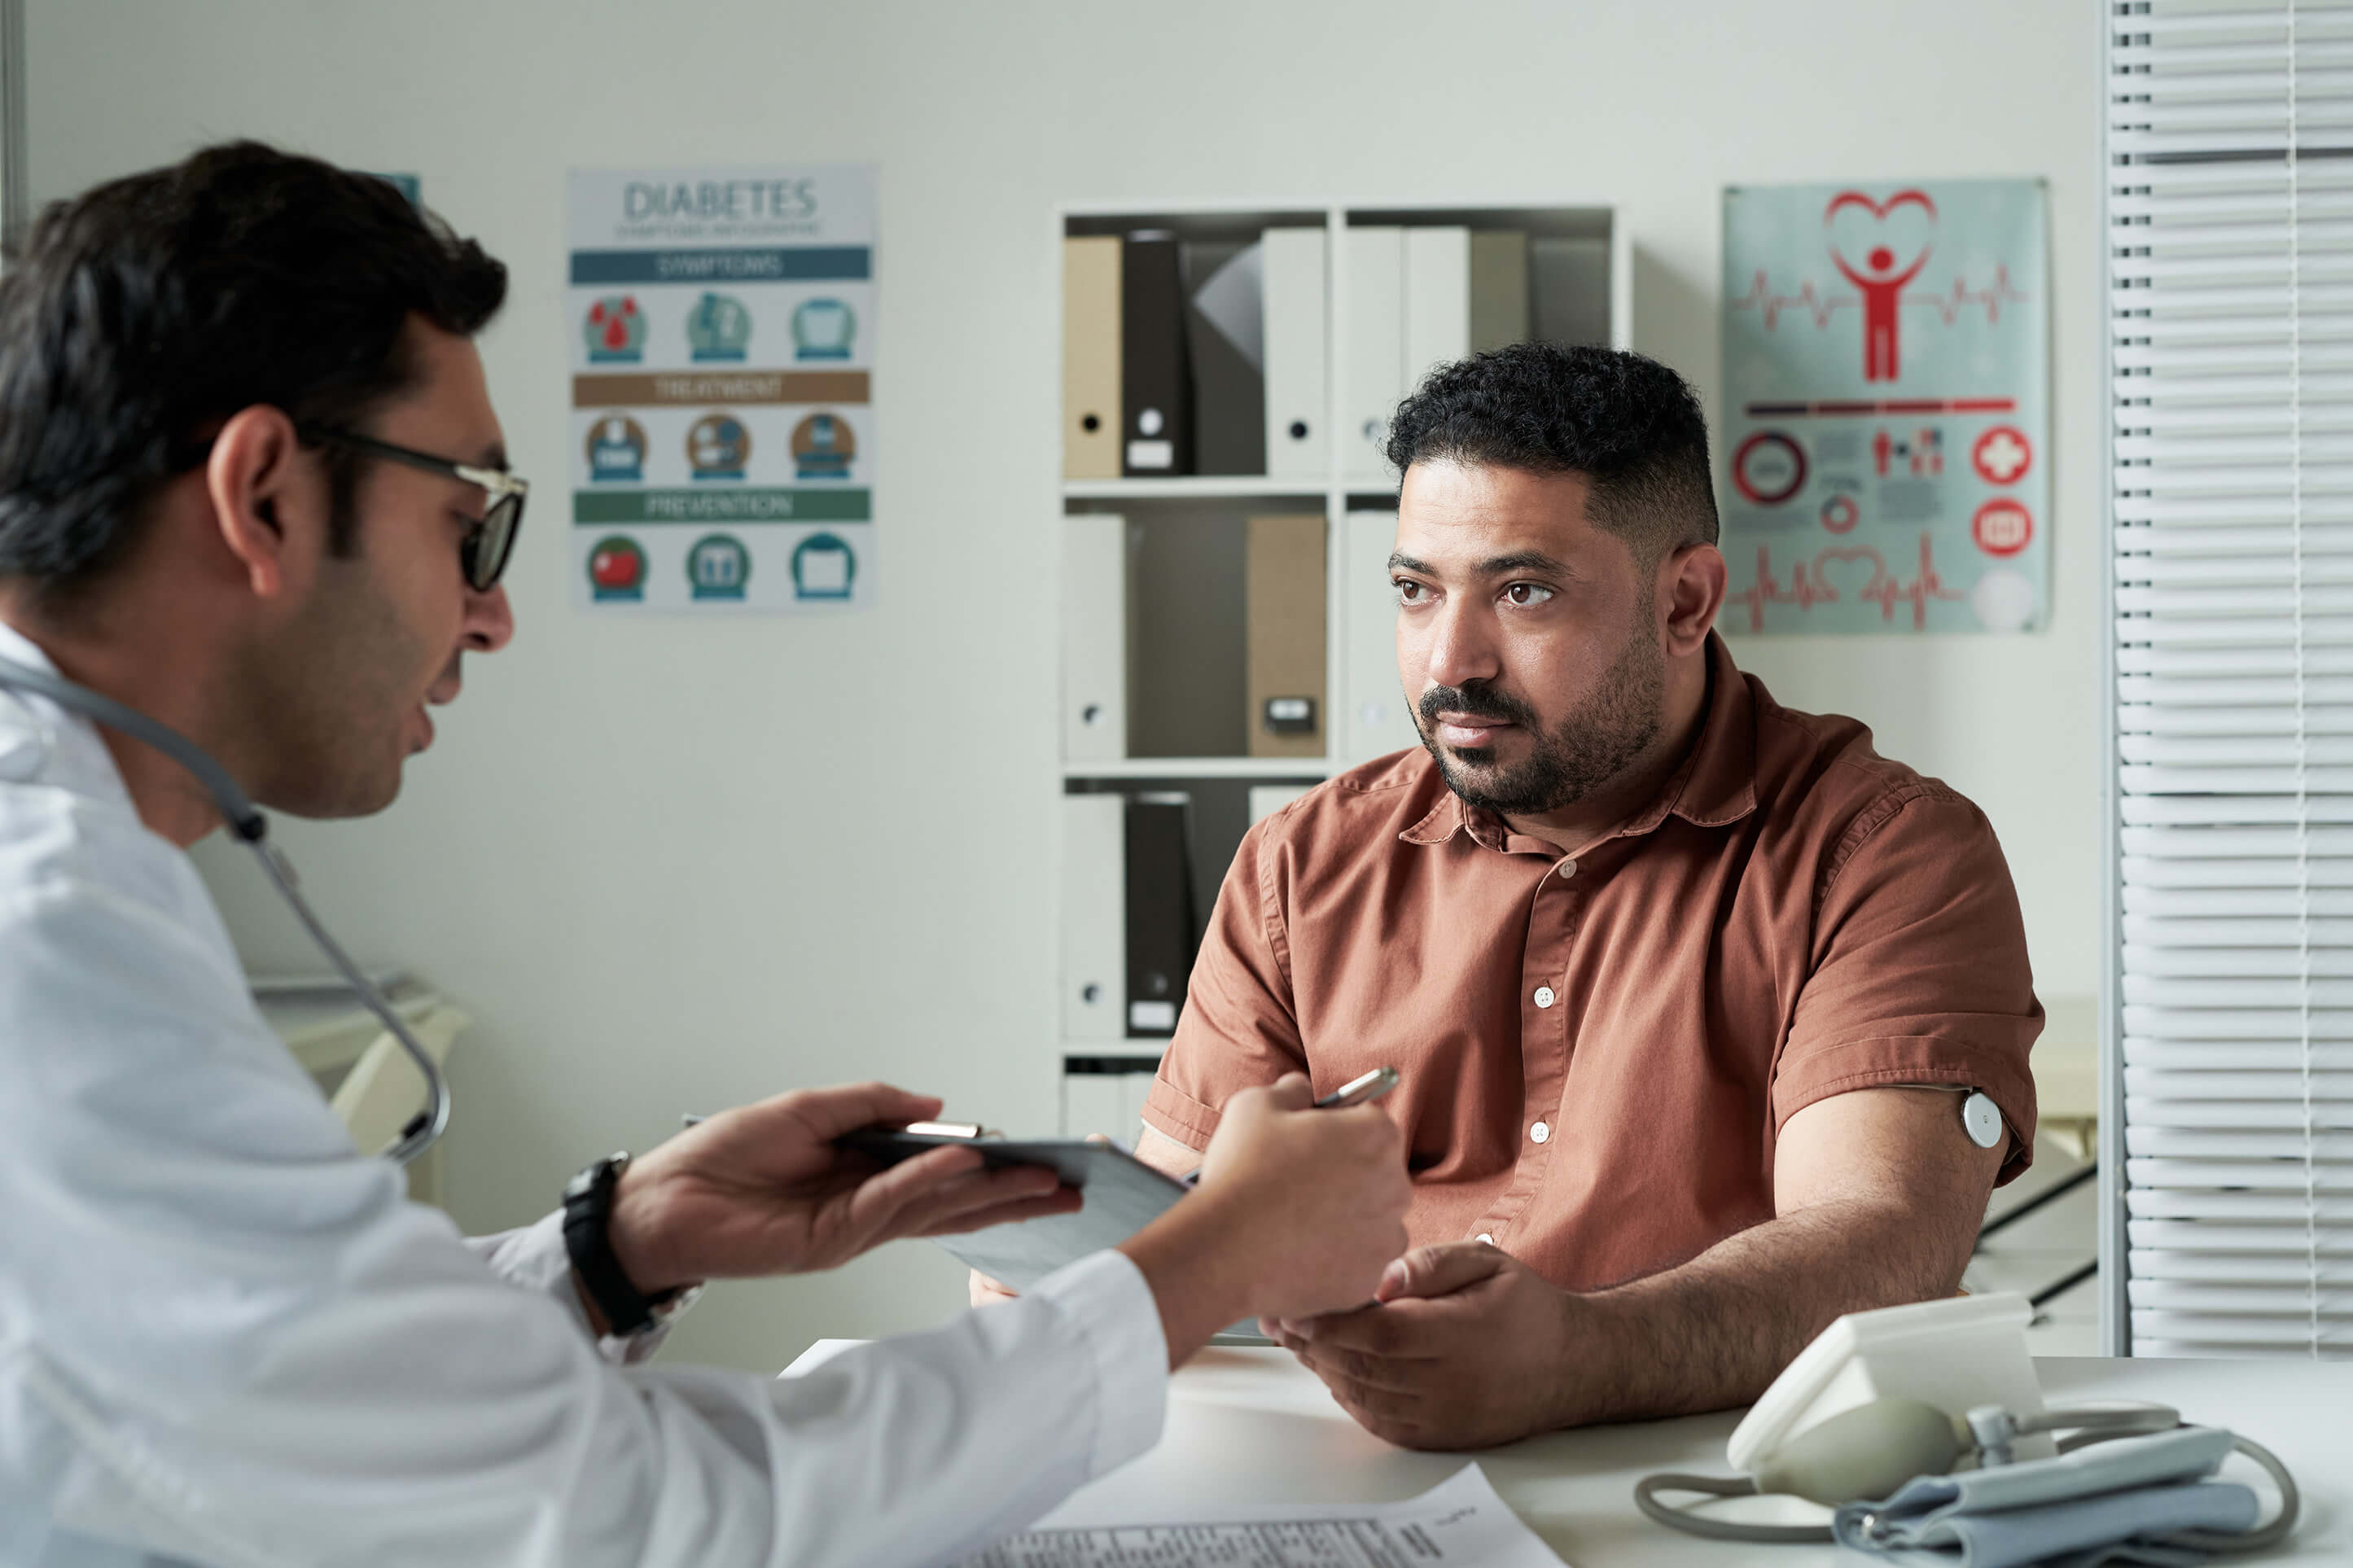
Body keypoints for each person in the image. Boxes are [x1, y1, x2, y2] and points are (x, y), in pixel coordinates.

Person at [0, 143, 1412, 1566]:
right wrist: (1210, 1257)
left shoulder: (64, 883)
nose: (491, 619)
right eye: (466, 522)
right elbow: (627, 1519)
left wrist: (616, 1246)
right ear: (262, 497)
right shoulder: (46, 940)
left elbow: (317, 1390)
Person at [988, 343, 2043, 1450]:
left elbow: (1878, 1241)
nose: (1451, 660)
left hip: (1703, 1488)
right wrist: (1082, 1279)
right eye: (1414, 591)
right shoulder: (1298, 868)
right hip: (1344, 1476)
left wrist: (1581, 1357)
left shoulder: (1883, 853)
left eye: (1521, 591)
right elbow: (1183, 1228)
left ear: (1684, 598)